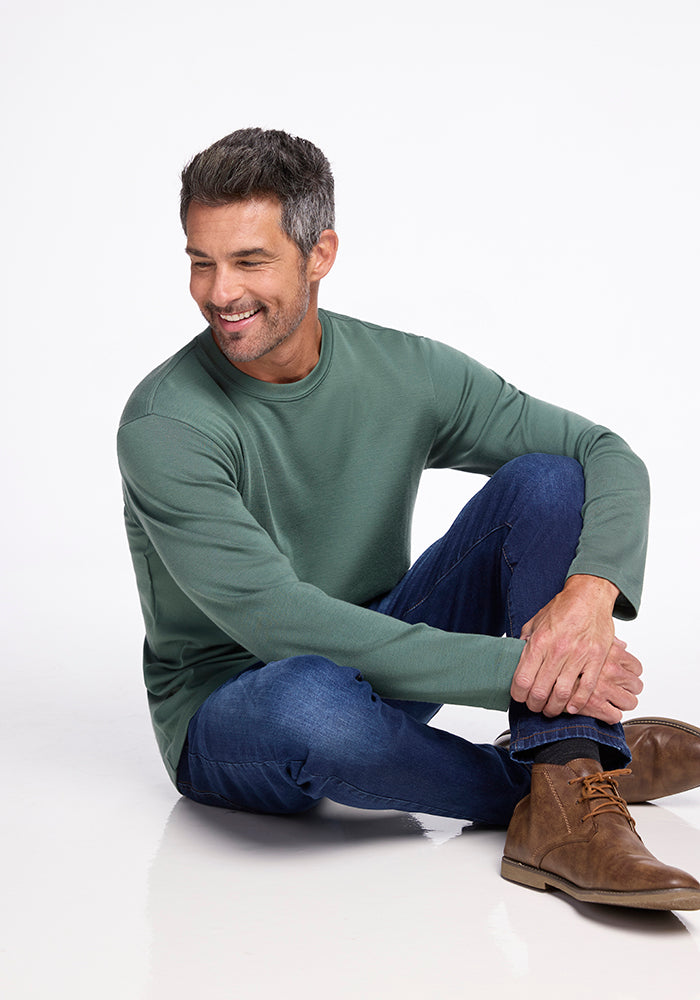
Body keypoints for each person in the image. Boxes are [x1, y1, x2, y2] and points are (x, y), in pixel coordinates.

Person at [118, 127, 700, 911]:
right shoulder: (167, 423)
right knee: (308, 701)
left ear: (318, 253)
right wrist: (544, 680)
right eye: (201, 260)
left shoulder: (405, 372)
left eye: (249, 261)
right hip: (237, 711)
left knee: (550, 482)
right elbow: (280, 625)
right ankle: (573, 775)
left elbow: (604, 452)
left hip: (380, 653)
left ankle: (565, 790)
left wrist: (591, 597)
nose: (220, 291)